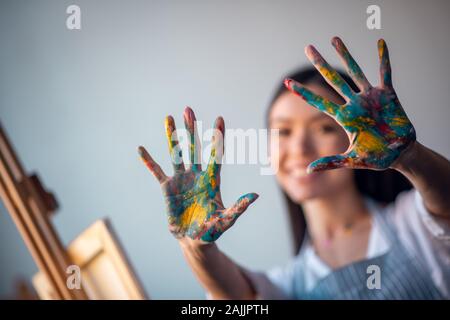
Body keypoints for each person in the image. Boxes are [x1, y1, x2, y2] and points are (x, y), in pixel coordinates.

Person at [138, 37, 450, 299]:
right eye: (283, 132)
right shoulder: (288, 285)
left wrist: (409, 156)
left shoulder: (414, 224)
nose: (299, 149)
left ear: (360, 138)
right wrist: (196, 248)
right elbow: (239, 299)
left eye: (324, 129)